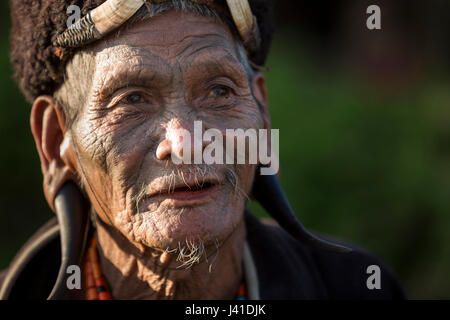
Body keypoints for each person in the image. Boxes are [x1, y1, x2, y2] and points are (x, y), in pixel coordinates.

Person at [0, 0, 405, 300]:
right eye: (132, 100)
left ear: (262, 119)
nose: (186, 143)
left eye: (219, 91)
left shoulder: (359, 289)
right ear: (56, 143)